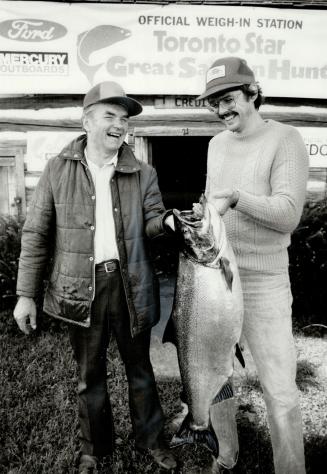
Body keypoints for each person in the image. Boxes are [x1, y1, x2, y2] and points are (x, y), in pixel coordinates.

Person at [13, 81, 177, 473]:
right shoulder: (57, 168)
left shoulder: (142, 171)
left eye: (124, 119)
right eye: (110, 116)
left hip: (130, 284)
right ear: (87, 120)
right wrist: (26, 294)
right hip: (79, 288)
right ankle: (94, 447)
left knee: (140, 369)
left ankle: (152, 440)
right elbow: (36, 233)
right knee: (89, 374)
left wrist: (167, 223)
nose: (119, 125)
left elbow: (153, 219)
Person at [194, 57, 308, 473]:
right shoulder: (215, 145)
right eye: (214, 104)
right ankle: (226, 455)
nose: (222, 111)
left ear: (253, 93)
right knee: (216, 376)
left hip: (264, 281)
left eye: (228, 99)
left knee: (279, 387)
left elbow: (288, 213)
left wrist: (237, 197)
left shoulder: (286, 139)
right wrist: (202, 217)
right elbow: (216, 206)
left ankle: (290, 468)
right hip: (218, 280)